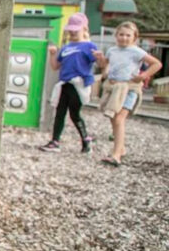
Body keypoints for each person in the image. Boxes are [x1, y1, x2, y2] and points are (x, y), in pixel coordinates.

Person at [96, 21, 162, 166]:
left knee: (119, 119)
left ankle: (116, 155)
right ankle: (121, 148)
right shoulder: (112, 50)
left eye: (128, 35)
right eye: (121, 34)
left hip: (129, 88)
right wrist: (100, 61)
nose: (124, 38)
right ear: (116, 35)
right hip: (114, 88)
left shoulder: (136, 51)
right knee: (113, 119)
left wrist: (143, 75)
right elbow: (105, 65)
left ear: (134, 37)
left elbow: (157, 64)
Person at [39, 13, 99, 153]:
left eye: (75, 29)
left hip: (78, 84)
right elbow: (55, 66)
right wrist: (53, 54)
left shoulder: (89, 46)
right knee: (60, 112)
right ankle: (55, 141)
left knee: (74, 114)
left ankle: (85, 139)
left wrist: (100, 59)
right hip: (64, 83)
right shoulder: (66, 47)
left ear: (84, 29)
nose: (72, 32)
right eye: (70, 29)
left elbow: (99, 63)